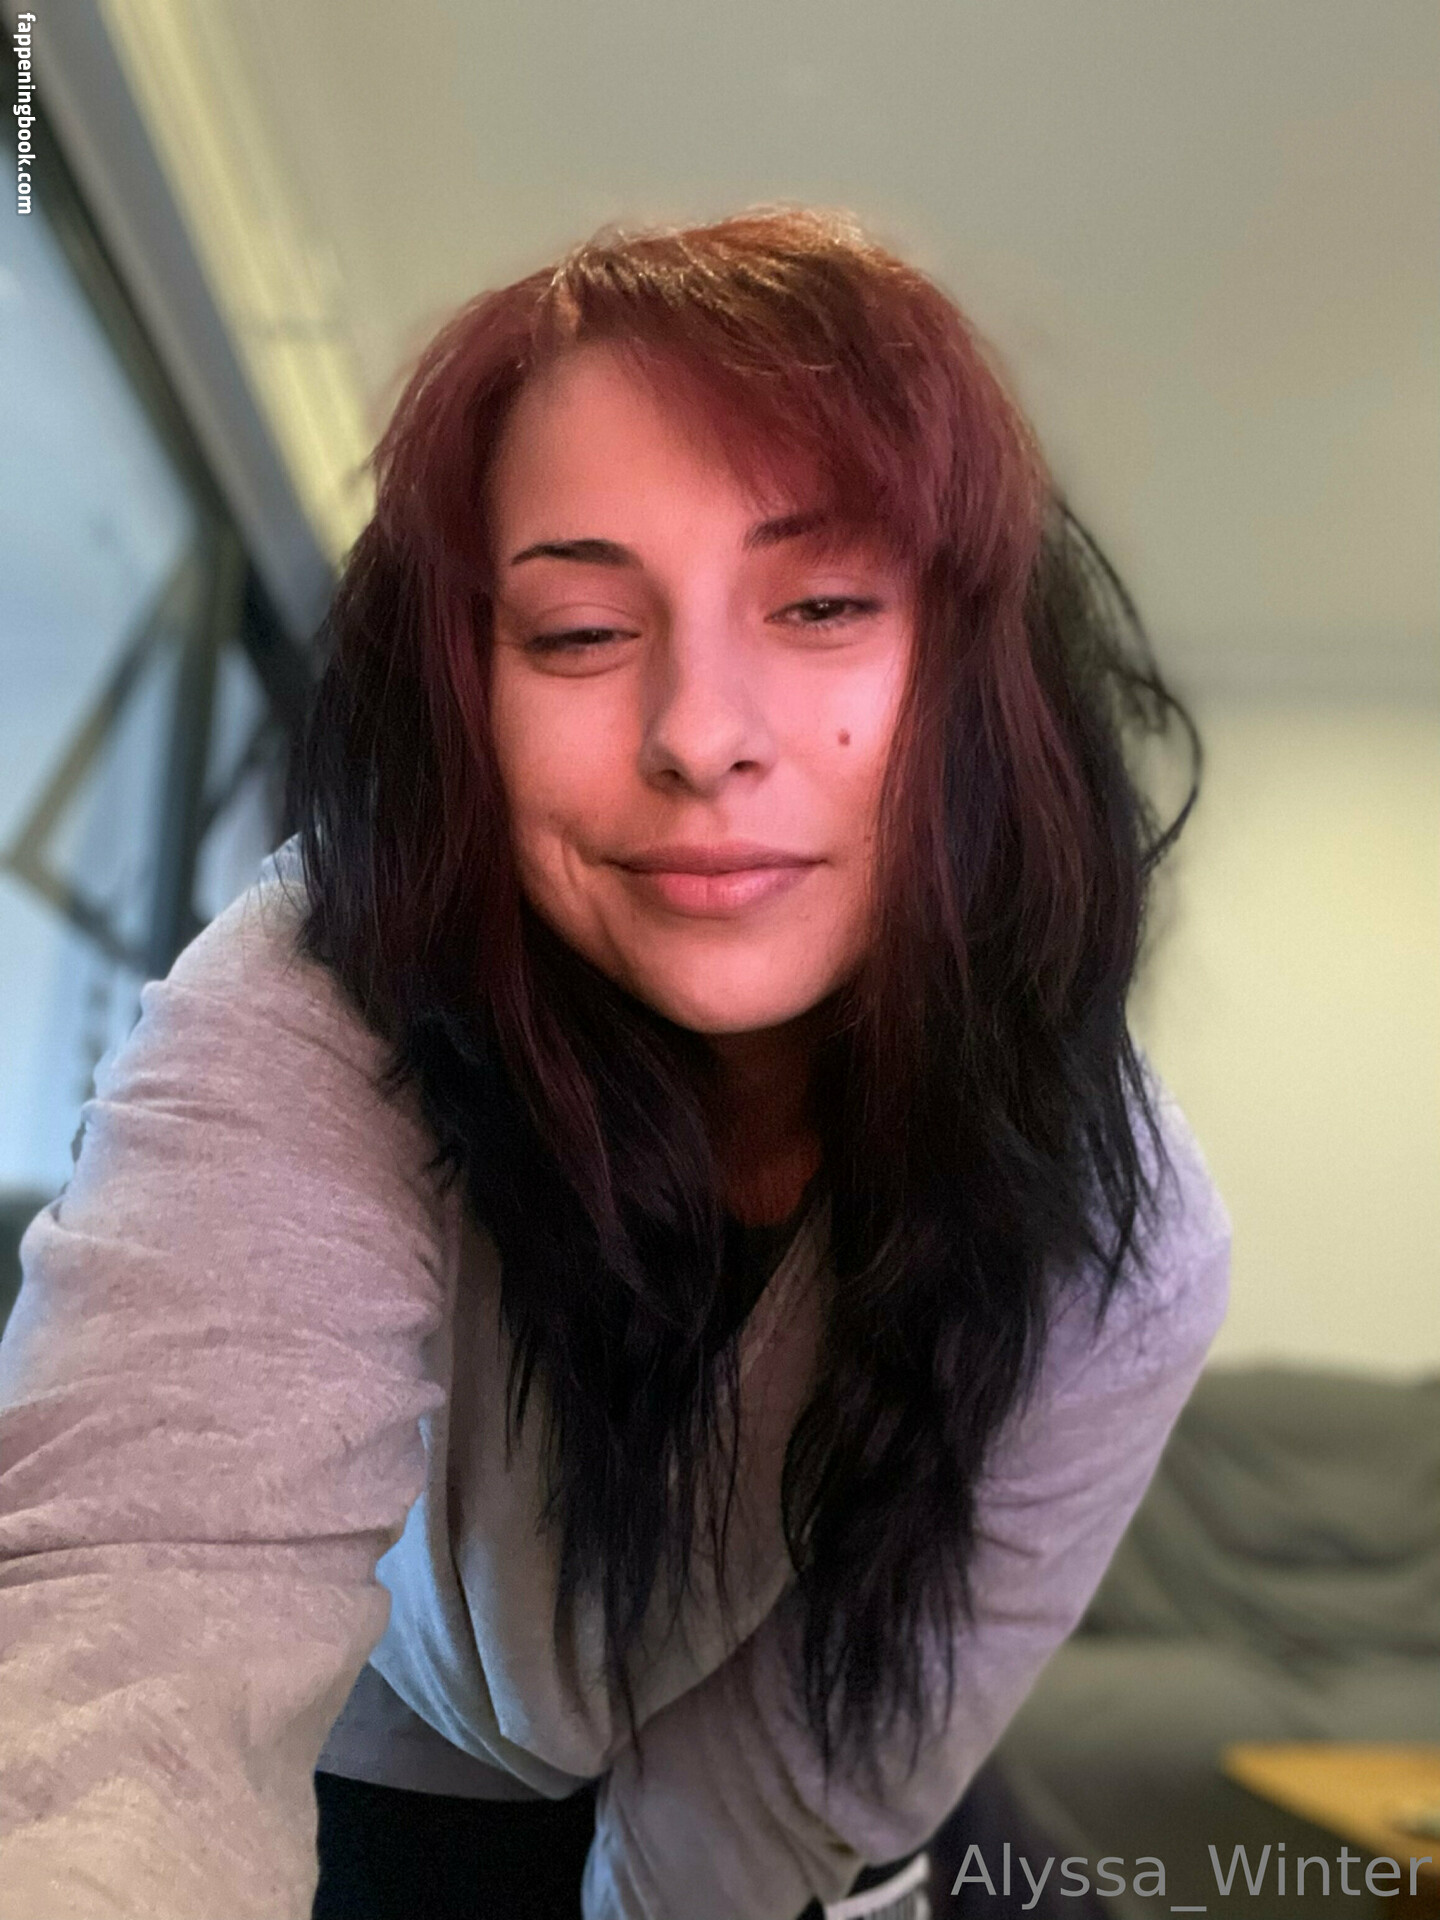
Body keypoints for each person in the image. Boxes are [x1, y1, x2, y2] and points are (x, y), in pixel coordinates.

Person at [0, 206, 1231, 1920]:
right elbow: (135, 1637)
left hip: (805, 1786)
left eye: (822, 603)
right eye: (578, 631)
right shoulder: (313, 996)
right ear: (461, 696)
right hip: (378, 1765)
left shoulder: (1124, 1228)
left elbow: (791, 1788)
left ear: (983, 678)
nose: (700, 736)